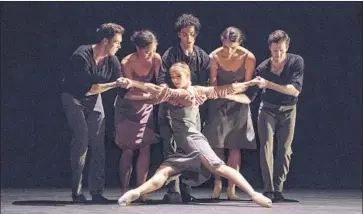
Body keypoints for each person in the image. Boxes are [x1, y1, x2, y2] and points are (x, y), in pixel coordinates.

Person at [116, 62, 272, 208]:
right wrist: (132, 85)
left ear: (188, 77)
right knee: (164, 171)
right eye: (172, 77)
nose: (175, 80)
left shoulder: (185, 93)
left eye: (179, 76)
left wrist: (249, 83)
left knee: (219, 167)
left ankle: (254, 193)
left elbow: (224, 89)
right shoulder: (191, 92)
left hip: (193, 141)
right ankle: (136, 192)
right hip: (182, 145)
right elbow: (156, 91)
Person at [60, 23, 126, 203]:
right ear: (105, 41)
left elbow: (120, 81)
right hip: (74, 97)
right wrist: (114, 84)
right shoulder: (81, 56)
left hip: (93, 98)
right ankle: (77, 192)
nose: (119, 46)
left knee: (98, 143)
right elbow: (89, 89)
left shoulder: (111, 60)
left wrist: (128, 85)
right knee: (82, 140)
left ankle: (97, 191)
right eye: (117, 42)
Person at [156, 13, 211, 203]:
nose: (189, 38)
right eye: (185, 34)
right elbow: (162, 79)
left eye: (192, 34)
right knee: (171, 147)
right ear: (179, 34)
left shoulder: (202, 55)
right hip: (171, 107)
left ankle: (186, 188)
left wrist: (201, 96)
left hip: (192, 110)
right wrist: (170, 96)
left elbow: (206, 82)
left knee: (190, 148)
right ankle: (174, 190)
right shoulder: (170, 54)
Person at [202, 26, 257, 200]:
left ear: (240, 43)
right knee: (217, 145)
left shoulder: (248, 57)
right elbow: (213, 84)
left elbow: (247, 85)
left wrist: (233, 92)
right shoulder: (214, 56)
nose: (229, 50)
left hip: (239, 103)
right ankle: (217, 183)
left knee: (235, 145)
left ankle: (231, 188)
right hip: (218, 102)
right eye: (225, 46)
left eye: (233, 47)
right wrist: (227, 91)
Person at [250, 30, 304, 202]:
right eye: (275, 51)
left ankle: (278, 188)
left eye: (281, 50)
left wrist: (268, 84)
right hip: (267, 109)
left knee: (285, 149)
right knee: (266, 147)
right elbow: (252, 93)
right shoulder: (263, 67)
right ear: (269, 48)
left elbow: (294, 91)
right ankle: (269, 189)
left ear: (287, 47)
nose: (278, 54)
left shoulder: (296, 61)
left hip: (289, 109)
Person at [114, 30, 161, 201]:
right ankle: (125, 189)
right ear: (137, 48)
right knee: (127, 149)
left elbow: (160, 82)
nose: (150, 54)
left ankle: (141, 191)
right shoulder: (127, 61)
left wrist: (159, 93)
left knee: (145, 146)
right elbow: (128, 91)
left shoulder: (156, 58)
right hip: (128, 105)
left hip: (146, 106)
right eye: (147, 51)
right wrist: (150, 94)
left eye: (153, 49)